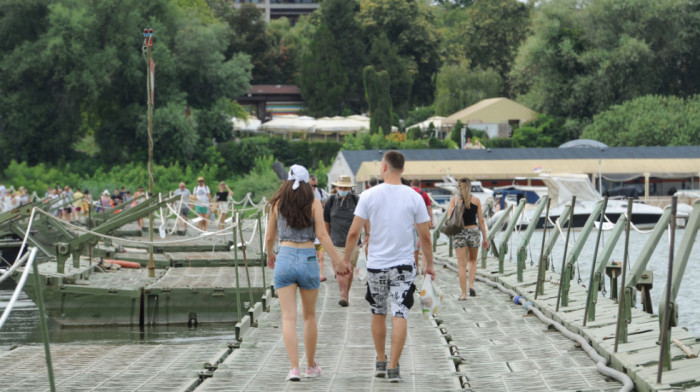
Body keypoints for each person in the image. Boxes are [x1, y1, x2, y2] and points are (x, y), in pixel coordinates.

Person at [343, 151, 435, 382]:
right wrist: (429, 264)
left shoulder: (368, 195)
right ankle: (394, 367)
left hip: (376, 266)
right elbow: (424, 236)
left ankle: (381, 360)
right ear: (403, 169)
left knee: (378, 312)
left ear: (384, 168)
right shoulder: (414, 196)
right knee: (400, 313)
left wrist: (345, 260)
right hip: (404, 266)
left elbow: (354, 232)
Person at [264, 164, 349, 382]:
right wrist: (338, 262)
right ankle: (311, 365)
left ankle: (294, 368)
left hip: (284, 256)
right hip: (309, 258)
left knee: (288, 318)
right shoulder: (314, 203)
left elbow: (269, 236)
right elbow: (322, 234)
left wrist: (269, 255)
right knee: (310, 316)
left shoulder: (277, 204)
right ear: (306, 183)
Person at [323, 175, 369, 307]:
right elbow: (326, 221)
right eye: (341, 187)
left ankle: (345, 294)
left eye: (345, 187)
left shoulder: (356, 200)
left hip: (353, 242)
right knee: (339, 270)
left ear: (350, 188)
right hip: (335, 242)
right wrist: (327, 238)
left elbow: (365, 218)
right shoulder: (331, 201)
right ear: (336, 187)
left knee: (349, 270)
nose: (343, 189)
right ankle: (343, 294)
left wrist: (368, 234)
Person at [447, 178, 488, 300]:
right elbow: (481, 220)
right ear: (470, 187)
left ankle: (463, 294)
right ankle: (471, 286)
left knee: (461, 264)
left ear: (458, 187)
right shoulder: (476, 200)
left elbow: (449, 218)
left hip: (459, 232)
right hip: (473, 232)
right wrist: (485, 238)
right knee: (473, 260)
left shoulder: (454, 200)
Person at [410, 179, 434, 273]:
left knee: (413, 246)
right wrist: (431, 220)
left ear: (412, 184)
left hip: (411, 222)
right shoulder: (424, 194)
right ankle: (424, 265)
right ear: (419, 185)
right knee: (424, 243)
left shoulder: (408, 193)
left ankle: (415, 266)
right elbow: (429, 208)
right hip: (423, 221)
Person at [308, 174, 329, 282]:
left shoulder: (321, 193)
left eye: (315, 185)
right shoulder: (303, 195)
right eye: (312, 185)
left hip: (319, 226)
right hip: (308, 228)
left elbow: (325, 207)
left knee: (321, 256)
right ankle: (312, 274)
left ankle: (321, 275)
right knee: (312, 256)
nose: (314, 188)